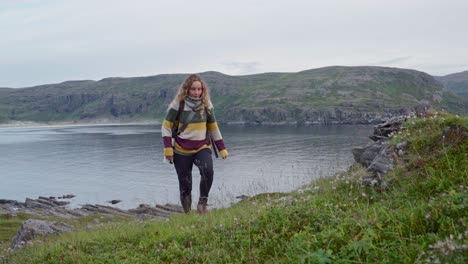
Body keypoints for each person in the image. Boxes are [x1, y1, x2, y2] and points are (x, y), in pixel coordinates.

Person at [161, 74, 228, 214]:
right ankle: (187, 213)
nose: (197, 93)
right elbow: (166, 126)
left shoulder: (206, 105)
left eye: (199, 89)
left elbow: (213, 126)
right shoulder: (177, 104)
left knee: (208, 171)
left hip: (202, 147)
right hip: (181, 150)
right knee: (185, 185)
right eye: (193, 89)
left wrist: (222, 148)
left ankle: (202, 204)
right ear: (186, 89)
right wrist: (168, 149)